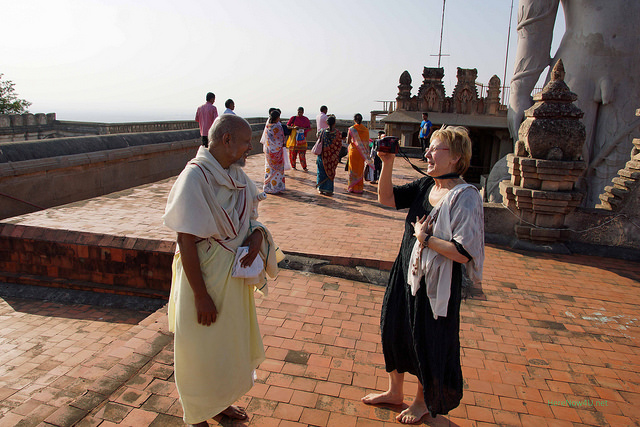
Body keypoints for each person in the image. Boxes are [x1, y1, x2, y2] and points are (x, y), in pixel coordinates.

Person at [163, 114, 281, 427]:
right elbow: (185, 241)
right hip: (201, 280)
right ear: (226, 140)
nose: (250, 148)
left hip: (231, 280)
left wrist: (257, 236)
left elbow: (251, 222)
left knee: (227, 346)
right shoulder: (195, 178)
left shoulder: (238, 178)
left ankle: (219, 403)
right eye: (245, 142)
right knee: (198, 350)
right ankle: (197, 413)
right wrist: (201, 296)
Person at [362, 126, 484, 424]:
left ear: (456, 157)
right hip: (405, 271)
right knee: (394, 329)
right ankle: (394, 391)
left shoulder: (464, 197)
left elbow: (463, 252)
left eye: (435, 149)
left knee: (426, 340)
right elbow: (387, 198)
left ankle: (421, 402)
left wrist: (425, 239)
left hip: (435, 286)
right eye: (428, 148)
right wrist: (387, 163)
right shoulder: (425, 185)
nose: (427, 153)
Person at [316, 115, 342, 196]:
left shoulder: (322, 132)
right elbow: (339, 145)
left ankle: (321, 188)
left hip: (323, 156)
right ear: (334, 123)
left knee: (321, 172)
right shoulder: (338, 133)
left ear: (327, 123)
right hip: (332, 157)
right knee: (330, 172)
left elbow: (317, 136)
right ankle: (328, 189)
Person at [346, 113, 373, 193]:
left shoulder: (351, 129)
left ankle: (351, 187)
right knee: (359, 169)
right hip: (362, 153)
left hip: (353, 151)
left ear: (354, 120)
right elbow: (367, 143)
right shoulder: (365, 130)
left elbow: (348, 141)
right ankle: (359, 188)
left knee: (352, 169)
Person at [261, 109, 286, 194]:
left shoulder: (267, 127)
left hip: (269, 152)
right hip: (277, 151)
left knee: (269, 169)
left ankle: (268, 187)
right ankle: (277, 187)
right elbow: (281, 139)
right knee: (277, 171)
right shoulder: (278, 127)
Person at [286, 107, 311, 171]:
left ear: (303, 112)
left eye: (301, 112)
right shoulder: (293, 118)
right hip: (293, 139)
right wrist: (294, 127)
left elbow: (309, 128)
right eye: (298, 112)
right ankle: (293, 166)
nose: (299, 113)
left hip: (302, 139)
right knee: (292, 154)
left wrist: (302, 129)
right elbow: (287, 126)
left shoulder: (306, 119)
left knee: (302, 154)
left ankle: (304, 167)